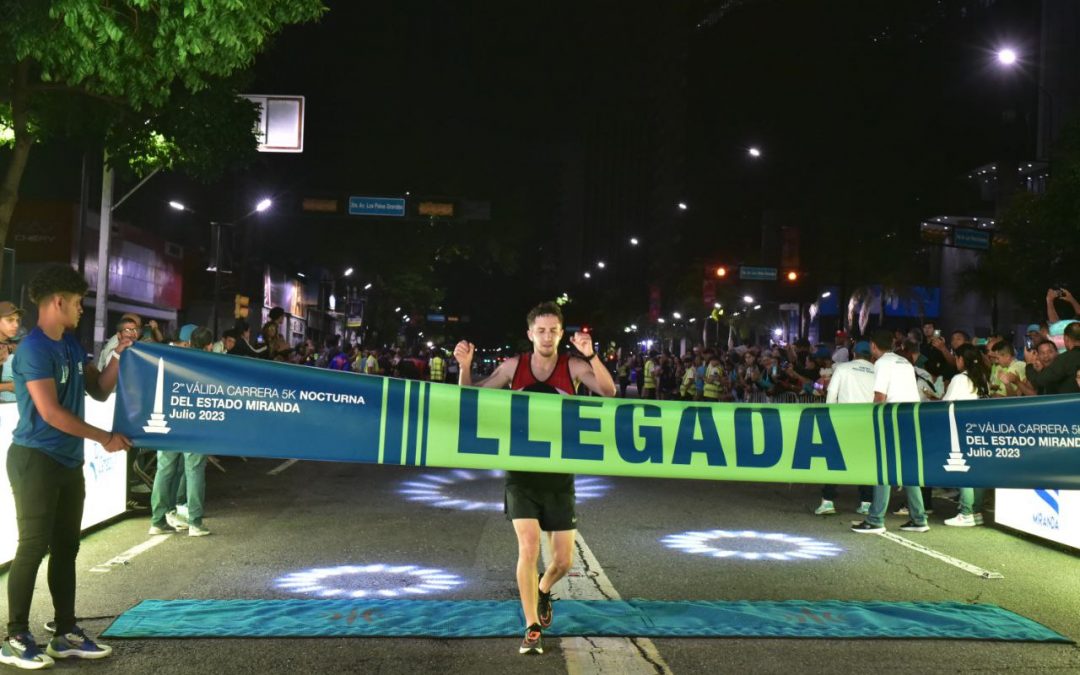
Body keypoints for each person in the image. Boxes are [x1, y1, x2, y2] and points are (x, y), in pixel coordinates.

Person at [453, 301, 615, 656]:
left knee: (562, 562)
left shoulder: (572, 365)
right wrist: (464, 368)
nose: (546, 336)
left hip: (559, 475)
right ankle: (530, 627)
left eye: (553, 330)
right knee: (528, 547)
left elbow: (608, 392)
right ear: (530, 334)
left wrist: (591, 355)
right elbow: (471, 398)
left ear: (561, 333)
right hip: (521, 474)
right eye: (540, 330)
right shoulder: (515, 366)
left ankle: (544, 588)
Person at [2, 265, 131, 669]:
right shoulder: (34, 349)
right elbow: (51, 413)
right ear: (58, 301)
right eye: (77, 303)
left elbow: (99, 389)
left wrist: (121, 358)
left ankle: (65, 632)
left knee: (66, 549)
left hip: (67, 461)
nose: (80, 310)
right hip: (35, 459)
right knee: (33, 547)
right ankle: (15, 637)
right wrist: (105, 438)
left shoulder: (72, 346)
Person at [852, 329, 928, 534]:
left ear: (874, 346)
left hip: (892, 419)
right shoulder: (904, 362)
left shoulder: (882, 363)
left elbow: (880, 396)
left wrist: (872, 420)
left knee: (883, 468)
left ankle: (876, 519)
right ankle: (919, 518)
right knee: (908, 471)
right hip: (911, 417)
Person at [148, 325, 212, 538]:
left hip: (169, 422)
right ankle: (195, 523)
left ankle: (157, 521)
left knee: (164, 470)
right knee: (194, 471)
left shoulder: (171, 358)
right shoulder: (208, 364)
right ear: (209, 345)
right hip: (194, 425)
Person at [815, 341, 875, 516]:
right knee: (864, 462)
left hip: (843, 421)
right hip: (867, 423)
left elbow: (831, 395)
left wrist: (828, 418)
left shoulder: (842, 368)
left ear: (854, 354)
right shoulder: (876, 371)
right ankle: (866, 502)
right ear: (871, 355)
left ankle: (828, 501)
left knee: (835, 461)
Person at [943, 344, 992, 527]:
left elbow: (946, 404)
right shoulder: (982, 378)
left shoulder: (959, 379)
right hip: (980, 429)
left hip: (962, 428)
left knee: (965, 472)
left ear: (962, 359)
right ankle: (976, 511)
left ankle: (966, 512)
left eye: (957, 357)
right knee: (977, 471)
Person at [1023, 321, 1080, 395]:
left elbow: (1038, 382)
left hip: (1069, 405)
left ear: (1066, 338)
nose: (1046, 356)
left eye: (1050, 352)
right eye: (1042, 353)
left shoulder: (1065, 359)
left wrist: (1029, 364)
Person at [0, 301, 24, 403]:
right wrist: (9, 386)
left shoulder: (8, 346)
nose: (16, 325)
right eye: (10, 320)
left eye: (17, 320)